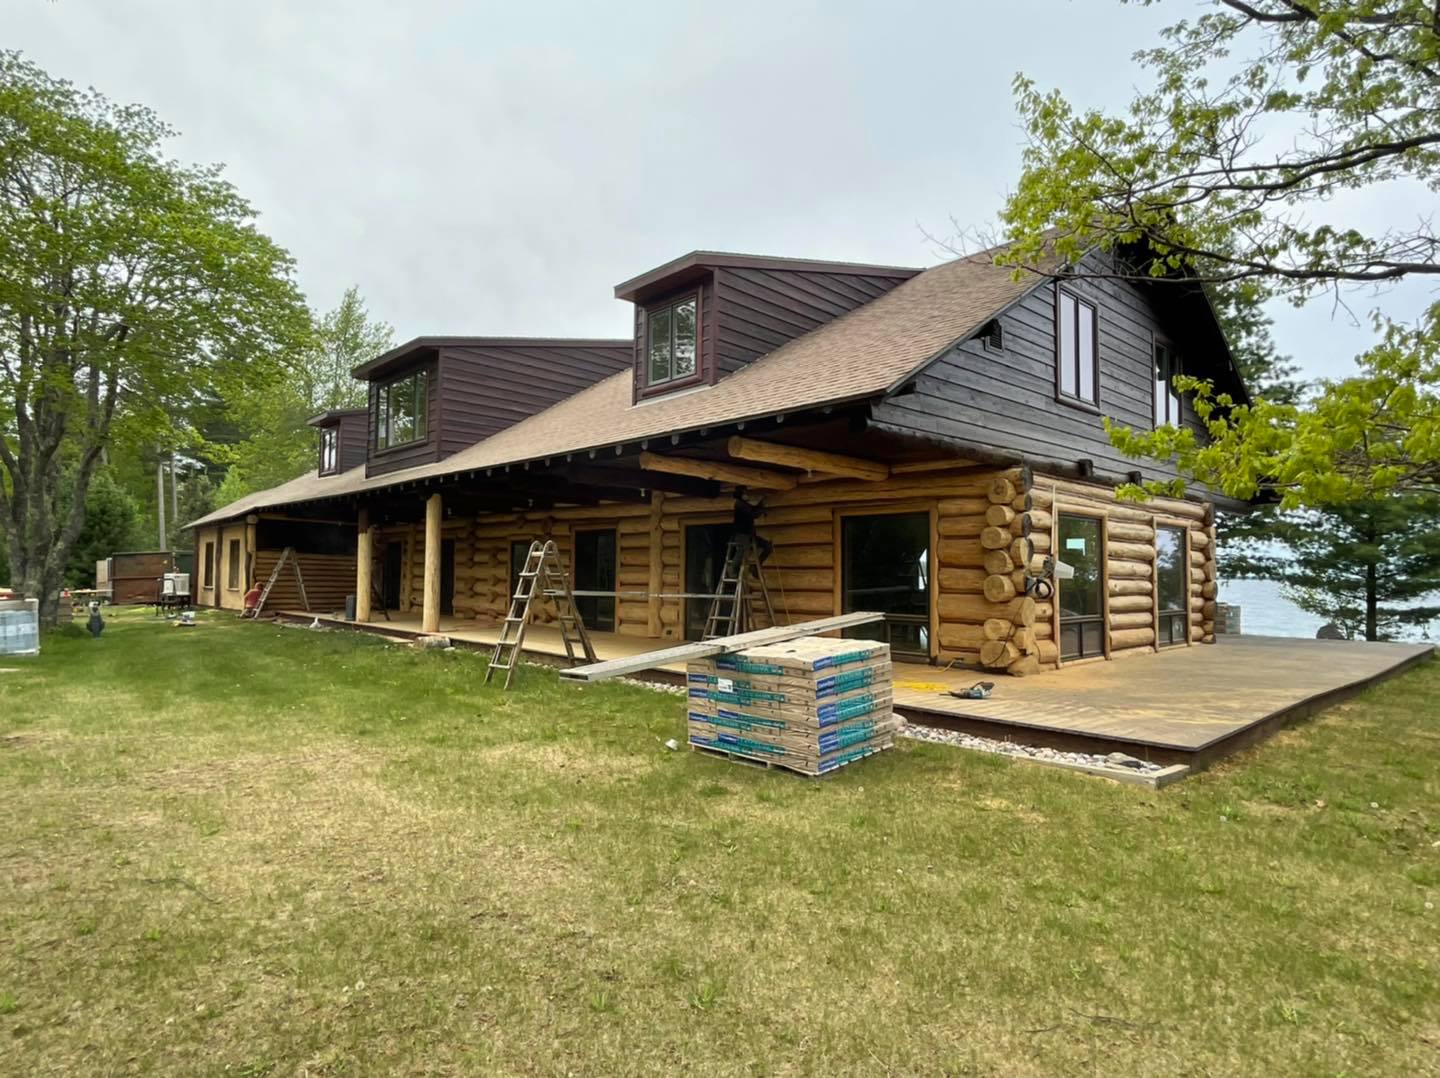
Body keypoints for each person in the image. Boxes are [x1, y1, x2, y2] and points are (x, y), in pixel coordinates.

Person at [732, 488, 773, 564]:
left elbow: (753, 509)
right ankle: (732, 571)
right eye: (744, 494)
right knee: (742, 552)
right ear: (741, 495)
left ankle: (754, 568)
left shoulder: (743, 504)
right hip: (743, 535)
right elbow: (753, 514)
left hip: (749, 535)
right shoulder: (740, 504)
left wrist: (762, 502)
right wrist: (761, 509)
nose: (746, 495)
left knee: (768, 546)